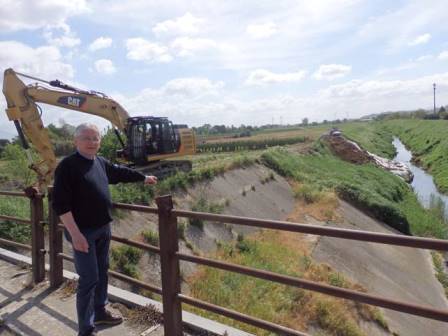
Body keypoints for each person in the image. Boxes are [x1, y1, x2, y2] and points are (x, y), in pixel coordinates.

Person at [52, 123, 157, 336]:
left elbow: (119, 173)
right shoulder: (67, 166)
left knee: (101, 273)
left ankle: (100, 311)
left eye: (95, 138)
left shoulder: (99, 162)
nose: (92, 142)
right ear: (76, 141)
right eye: (87, 138)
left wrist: (143, 178)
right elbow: (61, 204)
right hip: (83, 233)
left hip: (102, 229)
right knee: (89, 279)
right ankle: (86, 328)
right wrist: (75, 234)